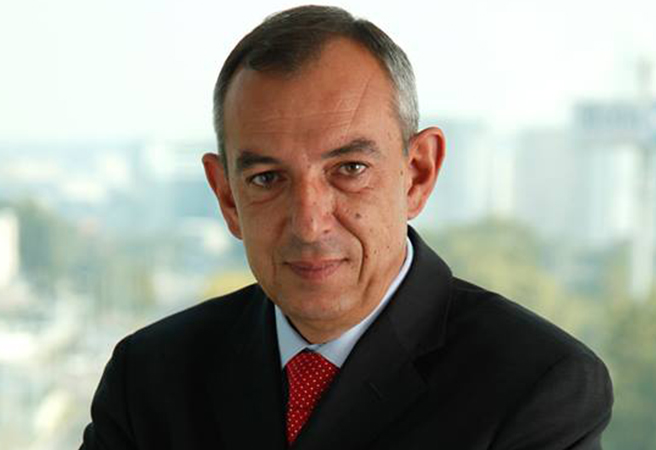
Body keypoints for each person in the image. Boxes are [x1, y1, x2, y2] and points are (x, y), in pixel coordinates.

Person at [80, 5, 613, 449]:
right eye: (267, 178)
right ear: (227, 197)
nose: (309, 223)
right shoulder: (149, 378)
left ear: (418, 174)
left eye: (349, 169)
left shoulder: (535, 387)